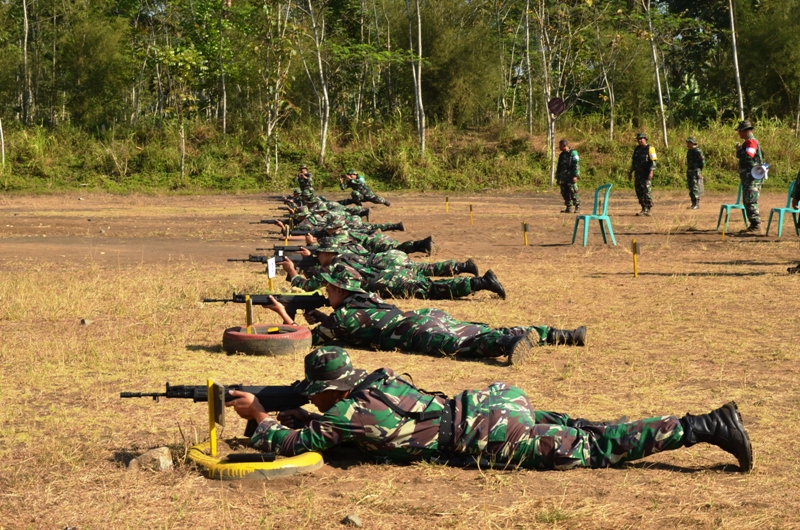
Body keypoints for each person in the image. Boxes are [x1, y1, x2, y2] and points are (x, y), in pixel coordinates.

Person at [226, 346, 754, 472]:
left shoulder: (347, 417)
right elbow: (330, 420)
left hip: (488, 434)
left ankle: (705, 426)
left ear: (328, 389)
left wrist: (259, 417)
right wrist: (301, 409)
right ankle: (697, 423)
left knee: (594, 448)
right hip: (491, 402)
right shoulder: (378, 385)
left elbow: (283, 444)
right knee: (588, 428)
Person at [260, 262, 585, 365]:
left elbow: (303, 341)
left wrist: (284, 316)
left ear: (342, 292)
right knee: (476, 330)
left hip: (417, 332)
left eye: (330, 288)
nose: (326, 292)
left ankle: (511, 341)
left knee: (468, 345)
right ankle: (560, 335)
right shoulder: (364, 300)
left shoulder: (344, 318)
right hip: (423, 317)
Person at [281, 242, 502, 301]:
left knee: (435, 289)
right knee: (430, 281)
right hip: (389, 274)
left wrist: (292, 273)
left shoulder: (332, 269)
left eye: (320, 254)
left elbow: (306, 287)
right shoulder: (347, 256)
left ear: (328, 253)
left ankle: (482, 283)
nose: (318, 257)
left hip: (388, 282)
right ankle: (474, 277)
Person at [735, 120, 765, 234]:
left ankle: (755, 226)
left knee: (750, 200)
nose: (738, 133)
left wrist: (739, 151)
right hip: (751, 176)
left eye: (740, 131)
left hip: (752, 177)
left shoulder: (751, 141)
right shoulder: (750, 141)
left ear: (745, 131)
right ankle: (754, 225)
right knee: (748, 200)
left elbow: (749, 156)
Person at [629, 132, 657, 216]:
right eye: (638, 139)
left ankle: (648, 208)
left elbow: (653, 161)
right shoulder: (637, 149)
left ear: (645, 139)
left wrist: (651, 172)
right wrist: (630, 172)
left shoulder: (650, 148)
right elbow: (634, 162)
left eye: (641, 139)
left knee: (646, 191)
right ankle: (643, 208)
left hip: (646, 173)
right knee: (639, 191)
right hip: (638, 173)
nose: (640, 140)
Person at [556, 139, 581, 213]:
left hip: (571, 176)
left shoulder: (573, 153)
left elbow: (576, 164)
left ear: (564, 145)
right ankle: (568, 207)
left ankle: (577, 206)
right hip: (563, 177)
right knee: (565, 192)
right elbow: (559, 166)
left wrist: (575, 175)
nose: (559, 147)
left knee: (573, 191)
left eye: (560, 145)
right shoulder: (562, 155)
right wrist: (558, 177)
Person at [686, 137, 705, 210]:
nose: (687, 144)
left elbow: (702, 161)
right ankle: (693, 203)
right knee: (691, 188)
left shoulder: (697, 151)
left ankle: (697, 203)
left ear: (692, 143)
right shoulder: (689, 151)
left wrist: (699, 170)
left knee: (695, 187)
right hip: (690, 171)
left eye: (688, 142)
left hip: (695, 171)